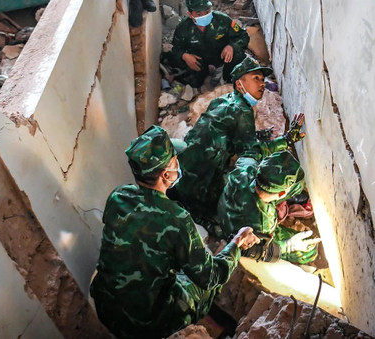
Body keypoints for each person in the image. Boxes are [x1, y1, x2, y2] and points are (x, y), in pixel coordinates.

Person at [90, 125, 260, 338]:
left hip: (107, 306)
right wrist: (237, 241)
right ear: (165, 174)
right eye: (175, 161)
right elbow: (210, 276)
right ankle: (196, 326)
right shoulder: (176, 218)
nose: (179, 164)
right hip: (145, 325)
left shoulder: (118, 196)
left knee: (177, 269)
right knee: (203, 287)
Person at [168, 56, 306, 223]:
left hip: (182, 172)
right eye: (256, 79)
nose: (262, 84)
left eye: (263, 80)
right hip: (200, 184)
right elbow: (250, 154)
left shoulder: (223, 101)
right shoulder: (242, 111)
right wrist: (286, 140)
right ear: (240, 83)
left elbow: (232, 138)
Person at [217, 151, 320, 265]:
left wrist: (281, 141)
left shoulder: (246, 170)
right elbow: (258, 249)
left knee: (298, 184)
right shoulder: (264, 224)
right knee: (310, 251)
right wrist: (289, 245)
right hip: (240, 228)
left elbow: (251, 153)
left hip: (229, 206)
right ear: (282, 194)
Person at [164, 0, 249, 88]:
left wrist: (232, 46)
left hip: (222, 57)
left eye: (207, 11)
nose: (204, 16)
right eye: (199, 14)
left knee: (238, 57)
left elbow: (243, 36)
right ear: (190, 15)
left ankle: (227, 79)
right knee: (193, 82)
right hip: (200, 60)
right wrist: (184, 56)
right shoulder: (184, 28)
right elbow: (175, 49)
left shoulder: (222, 20)